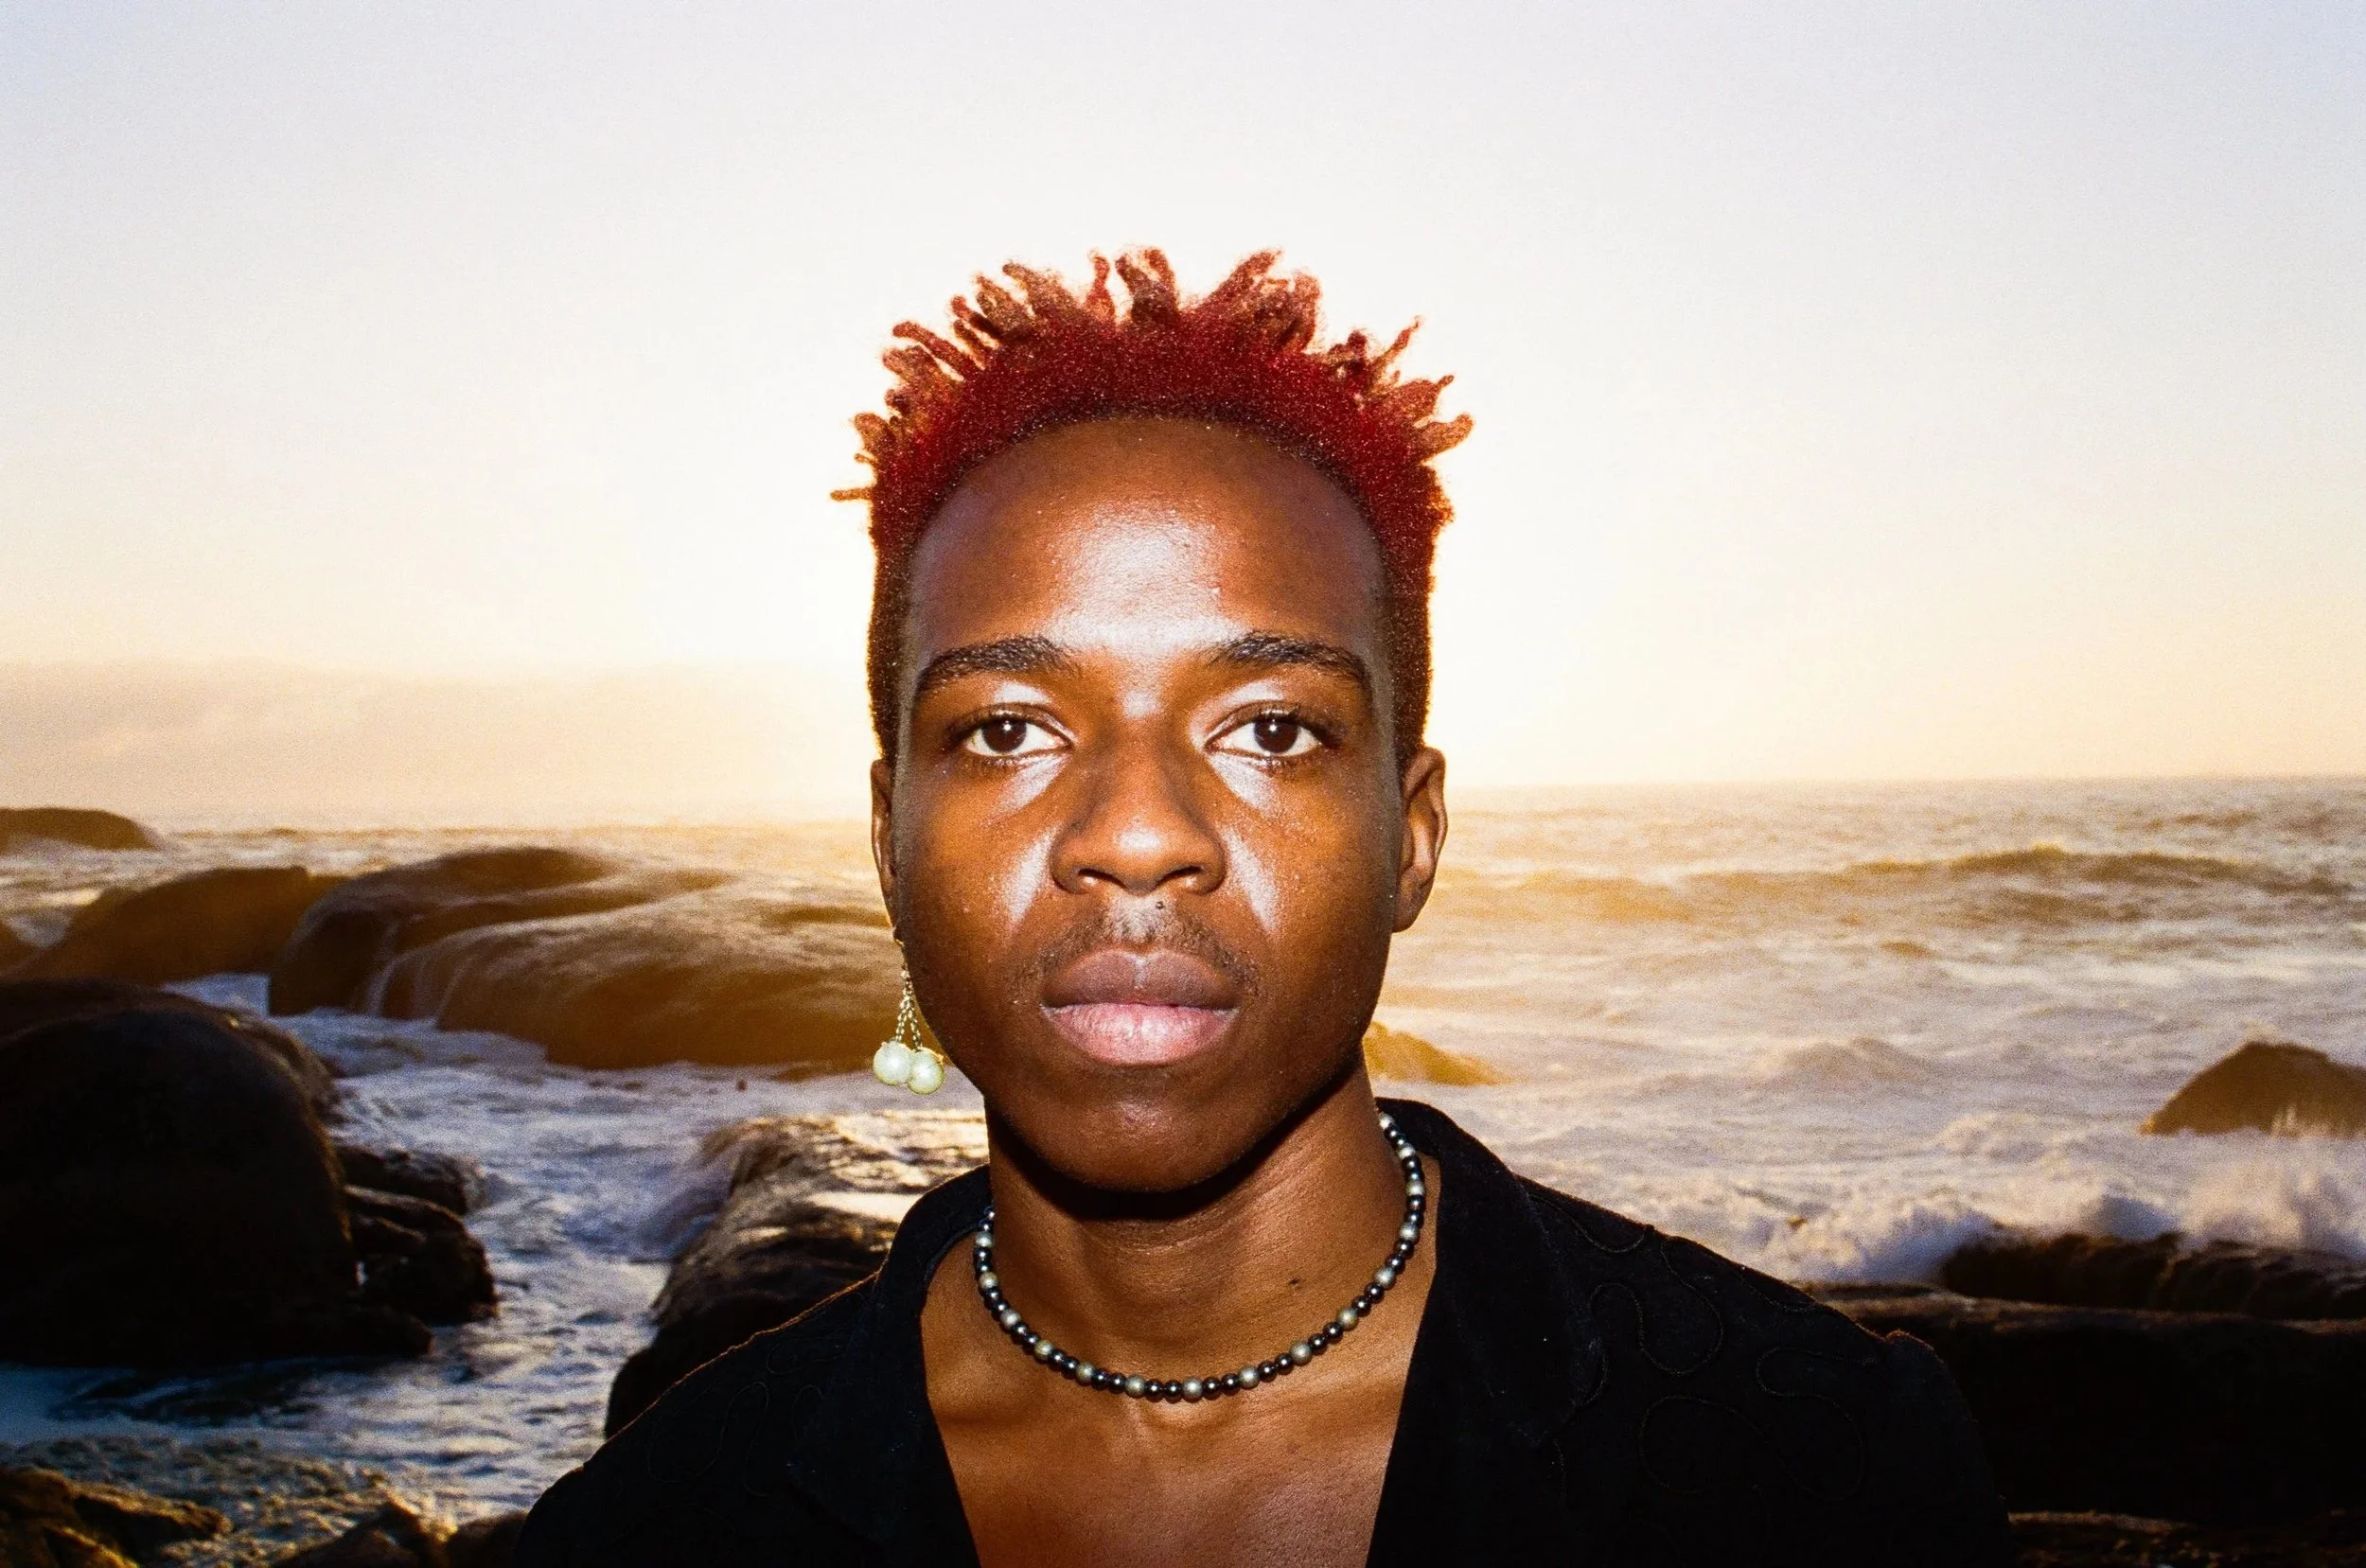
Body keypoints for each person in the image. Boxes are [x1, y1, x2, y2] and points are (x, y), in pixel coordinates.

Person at [516, 251, 2011, 1566]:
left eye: (1273, 730)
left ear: (1411, 839)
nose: (1138, 835)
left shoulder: (1814, 1474)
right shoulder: (656, 1532)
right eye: (1009, 730)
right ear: (888, 844)